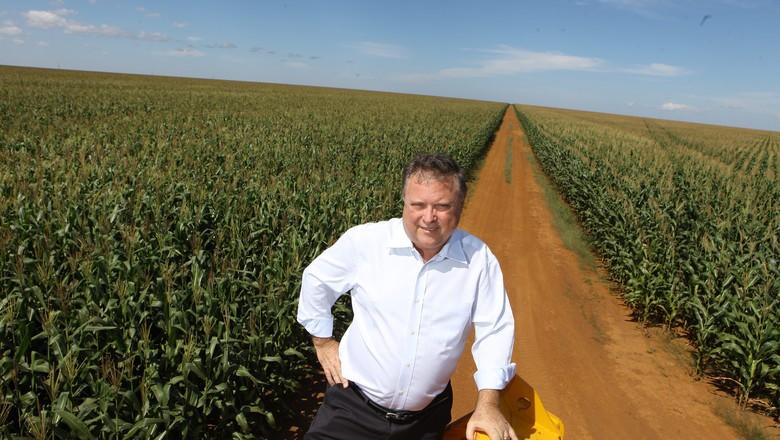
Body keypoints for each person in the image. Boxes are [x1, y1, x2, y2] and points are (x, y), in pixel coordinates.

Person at [297, 153, 518, 440]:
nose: (429, 217)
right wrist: (323, 340)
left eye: (442, 206)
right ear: (404, 202)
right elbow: (317, 280)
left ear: (460, 207)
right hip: (352, 409)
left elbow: (495, 330)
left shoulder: (478, 260)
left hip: (424, 423)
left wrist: (488, 405)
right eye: (418, 205)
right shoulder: (366, 243)